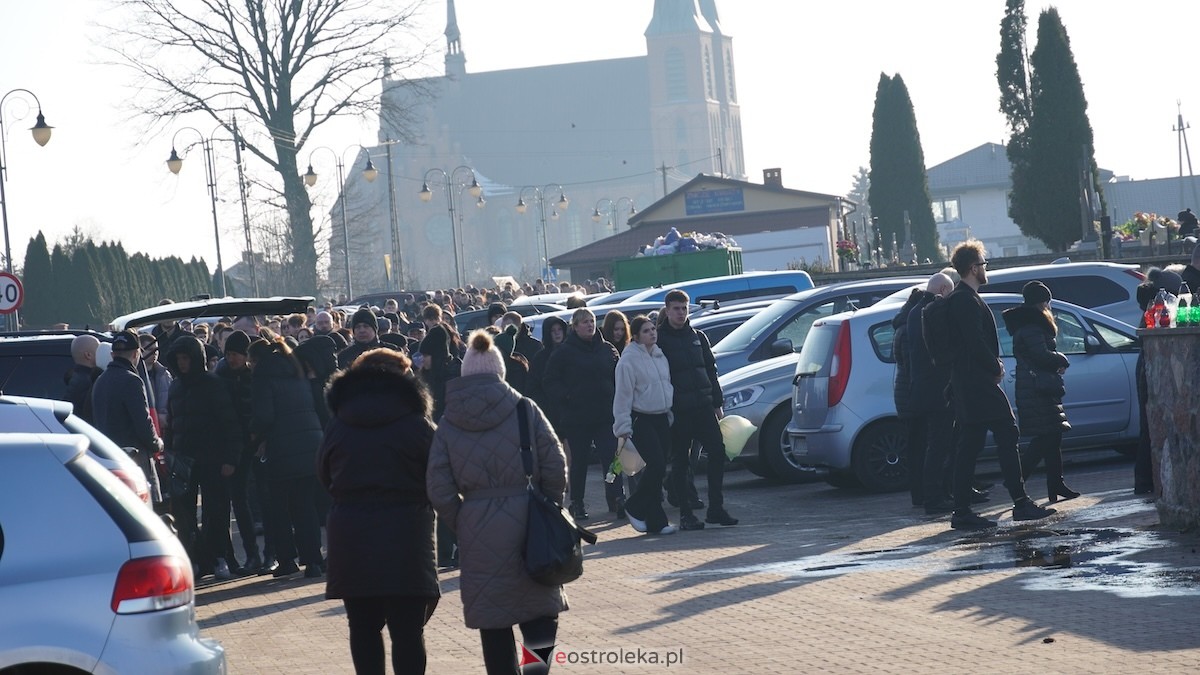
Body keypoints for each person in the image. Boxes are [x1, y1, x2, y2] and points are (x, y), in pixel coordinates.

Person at [426, 331, 568, 675]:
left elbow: (439, 485)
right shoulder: (524, 409)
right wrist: (549, 504)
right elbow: (555, 464)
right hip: (530, 518)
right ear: (499, 371)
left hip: (476, 525)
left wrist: (462, 520)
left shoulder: (447, 422)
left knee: (493, 622)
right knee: (538, 615)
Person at [319, 349, 440, 675]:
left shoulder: (338, 422)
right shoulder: (417, 423)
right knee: (408, 631)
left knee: (362, 626)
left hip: (351, 533)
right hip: (407, 533)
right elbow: (439, 474)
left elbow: (325, 474)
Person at [944, 241, 1055, 530]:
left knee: (969, 444)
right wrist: (995, 367)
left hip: (970, 382)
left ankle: (963, 510)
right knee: (1006, 431)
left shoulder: (964, 298)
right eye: (983, 264)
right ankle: (1019, 503)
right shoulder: (964, 300)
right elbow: (973, 341)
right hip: (976, 382)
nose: (985, 269)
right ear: (972, 268)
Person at [657, 289, 737, 531]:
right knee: (681, 462)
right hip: (678, 411)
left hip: (702, 407)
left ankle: (716, 507)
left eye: (684, 308)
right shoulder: (659, 339)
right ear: (667, 310)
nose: (681, 313)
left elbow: (710, 370)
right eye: (676, 309)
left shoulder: (698, 337)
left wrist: (717, 402)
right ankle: (685, 513)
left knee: (717, 451)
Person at [164, 335, 241, 579]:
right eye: (179, 359)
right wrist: (170, 453)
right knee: (185, 515)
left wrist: (230, 459)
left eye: (186, 358)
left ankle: (219, 557)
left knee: (216, 511)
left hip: (212, 458)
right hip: (185, 458)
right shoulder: (176, 386)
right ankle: (197, 559)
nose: (182, 363)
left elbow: (229, 424)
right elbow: (172, 424)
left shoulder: (214, 384)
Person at [248, 336, 325, 578]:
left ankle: (286, 560)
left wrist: (253, 436)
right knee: (305, 506)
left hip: (281, 449)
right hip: (311, 445)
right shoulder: (296, 370)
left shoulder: (263, 376)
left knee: (279, 507)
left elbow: (265, 416)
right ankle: (313, 561)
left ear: (256, 360)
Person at [1002, 281, 1079, 504]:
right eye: (1047, 301)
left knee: (1053, 435)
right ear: (1041, 302)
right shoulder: (1032, 326)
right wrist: (1062, 360)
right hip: (1037, 388)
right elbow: (1041, 354)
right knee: (1044, 438)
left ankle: (1056, 484)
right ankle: (1017, 479)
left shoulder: (1026, 324)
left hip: (1038, 386)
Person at [544, 308, 621, 521]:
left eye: (592, 321)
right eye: (584, 322)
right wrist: (567, 397)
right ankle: (577, 502)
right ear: (575, 327)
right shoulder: (564, 352)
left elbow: (620, 377)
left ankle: (616, 497)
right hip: (577, 417)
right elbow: (550, 381)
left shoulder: (607, 349)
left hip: (605, 415)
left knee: (612, 458)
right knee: (579, 461)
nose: (589, 325)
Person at [612, 315, 676, 535]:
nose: (652, 333)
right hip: (641, 418)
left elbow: (665, 385)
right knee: (656, 464)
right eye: (647, 331)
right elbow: (623, 396)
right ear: (637, 336)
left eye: (653, 329)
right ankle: (634, 506)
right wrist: (623, 426)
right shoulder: (628, 361)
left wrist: (668, 412)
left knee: (658, 468)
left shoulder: (660, 356)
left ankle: (656, 521)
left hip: (661, 417)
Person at [905, 272, 960, 514]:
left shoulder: (913, 312)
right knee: (939, 445)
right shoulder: (934, 310)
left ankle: (928, 494)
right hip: (937, 388)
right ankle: (935, 497)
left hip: (919, 388)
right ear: (943, 290)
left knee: (926, 446)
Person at [91, 329, 164, 507]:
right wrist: (157, 443)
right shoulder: (132, 381)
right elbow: (143, 423)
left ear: (112, 354)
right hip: (134, 462)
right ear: (136, 353)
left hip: (109, 461)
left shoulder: (100, 381)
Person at [890, 287, 924, 507]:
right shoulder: (909, 329)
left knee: (915, 446)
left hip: (904, 393)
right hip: (911, 394)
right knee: (918, 445)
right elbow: (912, 365)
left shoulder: (901, 327)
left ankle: (918, 492)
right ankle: (919, 493)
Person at [527, 316, 568, 431]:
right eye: (553, 330)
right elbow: (533, 387)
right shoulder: (540, 358)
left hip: (572, 412)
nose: (557, 333)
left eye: (559, 329)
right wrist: (545, 405)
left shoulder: (571, 352)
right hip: (550, 413)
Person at [65, 334, 102, 423]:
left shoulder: (74, 379)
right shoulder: (88, 382)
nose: (102, 354)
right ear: (88, 355)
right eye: (99, 351)